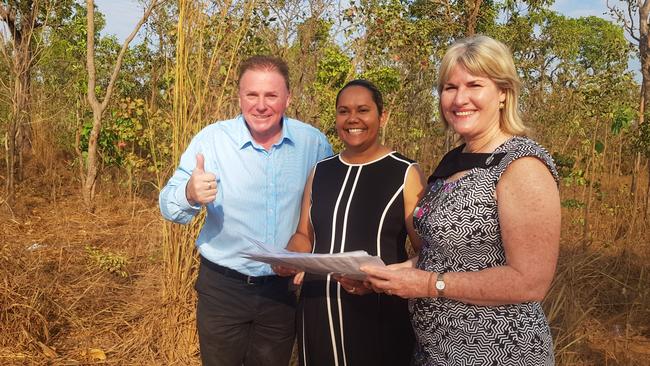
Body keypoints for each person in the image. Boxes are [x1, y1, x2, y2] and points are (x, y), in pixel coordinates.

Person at [362, 35, 561, 365]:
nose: (459, 98)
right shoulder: (454, 160)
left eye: (474, 85)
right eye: (449, 87)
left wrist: (427, 284)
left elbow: (530, 281)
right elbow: (444, 255)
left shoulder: (521, 166)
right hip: (435, 350)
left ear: (503, 93)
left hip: (499, 350)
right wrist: (389, 277)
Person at [159, 56, 333, 366]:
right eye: (252, 95)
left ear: (288, 98)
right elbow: (169, 205)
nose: (261, 105)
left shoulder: (314, 144)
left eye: (271, 95)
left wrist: (313, 256)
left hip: (282, 291)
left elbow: (328, 211)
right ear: (239, 96)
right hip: (222, 288)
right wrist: (190, 193)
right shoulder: (212, 141)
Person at [274, 79, 426, 366]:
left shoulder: (405, 172)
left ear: (383, 116)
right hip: (318, 306)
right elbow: (303, 235)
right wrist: (288, 257)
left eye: (363, 110)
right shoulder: (320, 171)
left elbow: (428, 251)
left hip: (379, 311)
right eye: (344, 111)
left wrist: (381, 280)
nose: (352, 119)